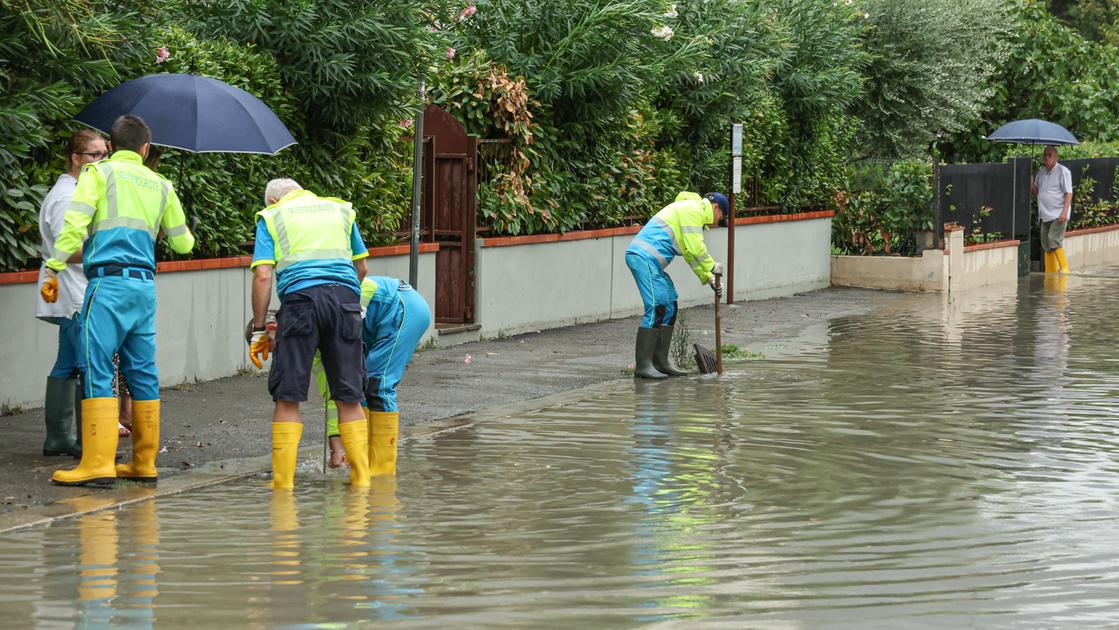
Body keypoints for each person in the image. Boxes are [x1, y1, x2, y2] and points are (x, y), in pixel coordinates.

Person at [41, 115, 195, 487]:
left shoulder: (99, 175)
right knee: (142, 370)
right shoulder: (161, 184)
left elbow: (76, 224)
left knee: (97, 367)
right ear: (145, 148)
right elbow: (184, 243)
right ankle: (144, 463)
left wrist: (54, 267)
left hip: (107, 285)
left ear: (110, 147)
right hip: (143, 289)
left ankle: (97, 464)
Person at [248, 178, 371, 489]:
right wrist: (345, 299)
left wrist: (259, 330)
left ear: (273, 201)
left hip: (300, 303)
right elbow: (363, 268)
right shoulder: (341, 209)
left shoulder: (272, 217)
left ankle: (283, 485)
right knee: (349, 395)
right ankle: (362, 481)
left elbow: (263, 276)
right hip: (344, 299)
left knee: (288, 397)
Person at [36, 130, 107, 458]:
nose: (102, 160)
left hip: (75, 289)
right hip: (73, 291)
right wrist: (108, 246)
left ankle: (61, 439)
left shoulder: (78, 190)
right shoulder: (67, 196)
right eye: (95, 155)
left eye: (105, 154)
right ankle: (86, 441)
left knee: (68, 362)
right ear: (76, 158)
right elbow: (71, 249)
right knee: (85, 363)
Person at [315, 276, 431, 475]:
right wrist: (336, 450)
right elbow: (335, 398)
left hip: (404, 307)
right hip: (384, 321)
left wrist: (350, 318)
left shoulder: (317, 306)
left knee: (378, 385)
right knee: (354, 388)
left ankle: (382, 475)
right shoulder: (314, 354)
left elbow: (367, 284)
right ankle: (363, 466)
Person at [624, 191, 726, 379]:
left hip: (652, 263)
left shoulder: (692, 213)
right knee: (657, 305)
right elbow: (696, 247)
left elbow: (690, 253)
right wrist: (712, 267)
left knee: (670, 305)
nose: (718, 222)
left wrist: (708, 278)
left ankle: (661, 362)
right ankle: (643, 365)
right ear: (716, 207)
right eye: (721, 217)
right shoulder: (692, 210)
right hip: (642, 257)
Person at [1031, 145, 1073, 273]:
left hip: (1058, 213)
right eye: (1045, 155)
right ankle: (1051, 273)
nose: (1047, 157)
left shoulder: (1063, 171)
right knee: (1046, 245)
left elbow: (1069, 193)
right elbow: (1037, 191)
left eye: (1050, 155)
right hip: (1044, 214)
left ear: (1056, 157)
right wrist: (1031, 182)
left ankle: (1065, 269)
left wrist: (1064, 212)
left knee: (1053, 240)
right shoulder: (1041, 172)